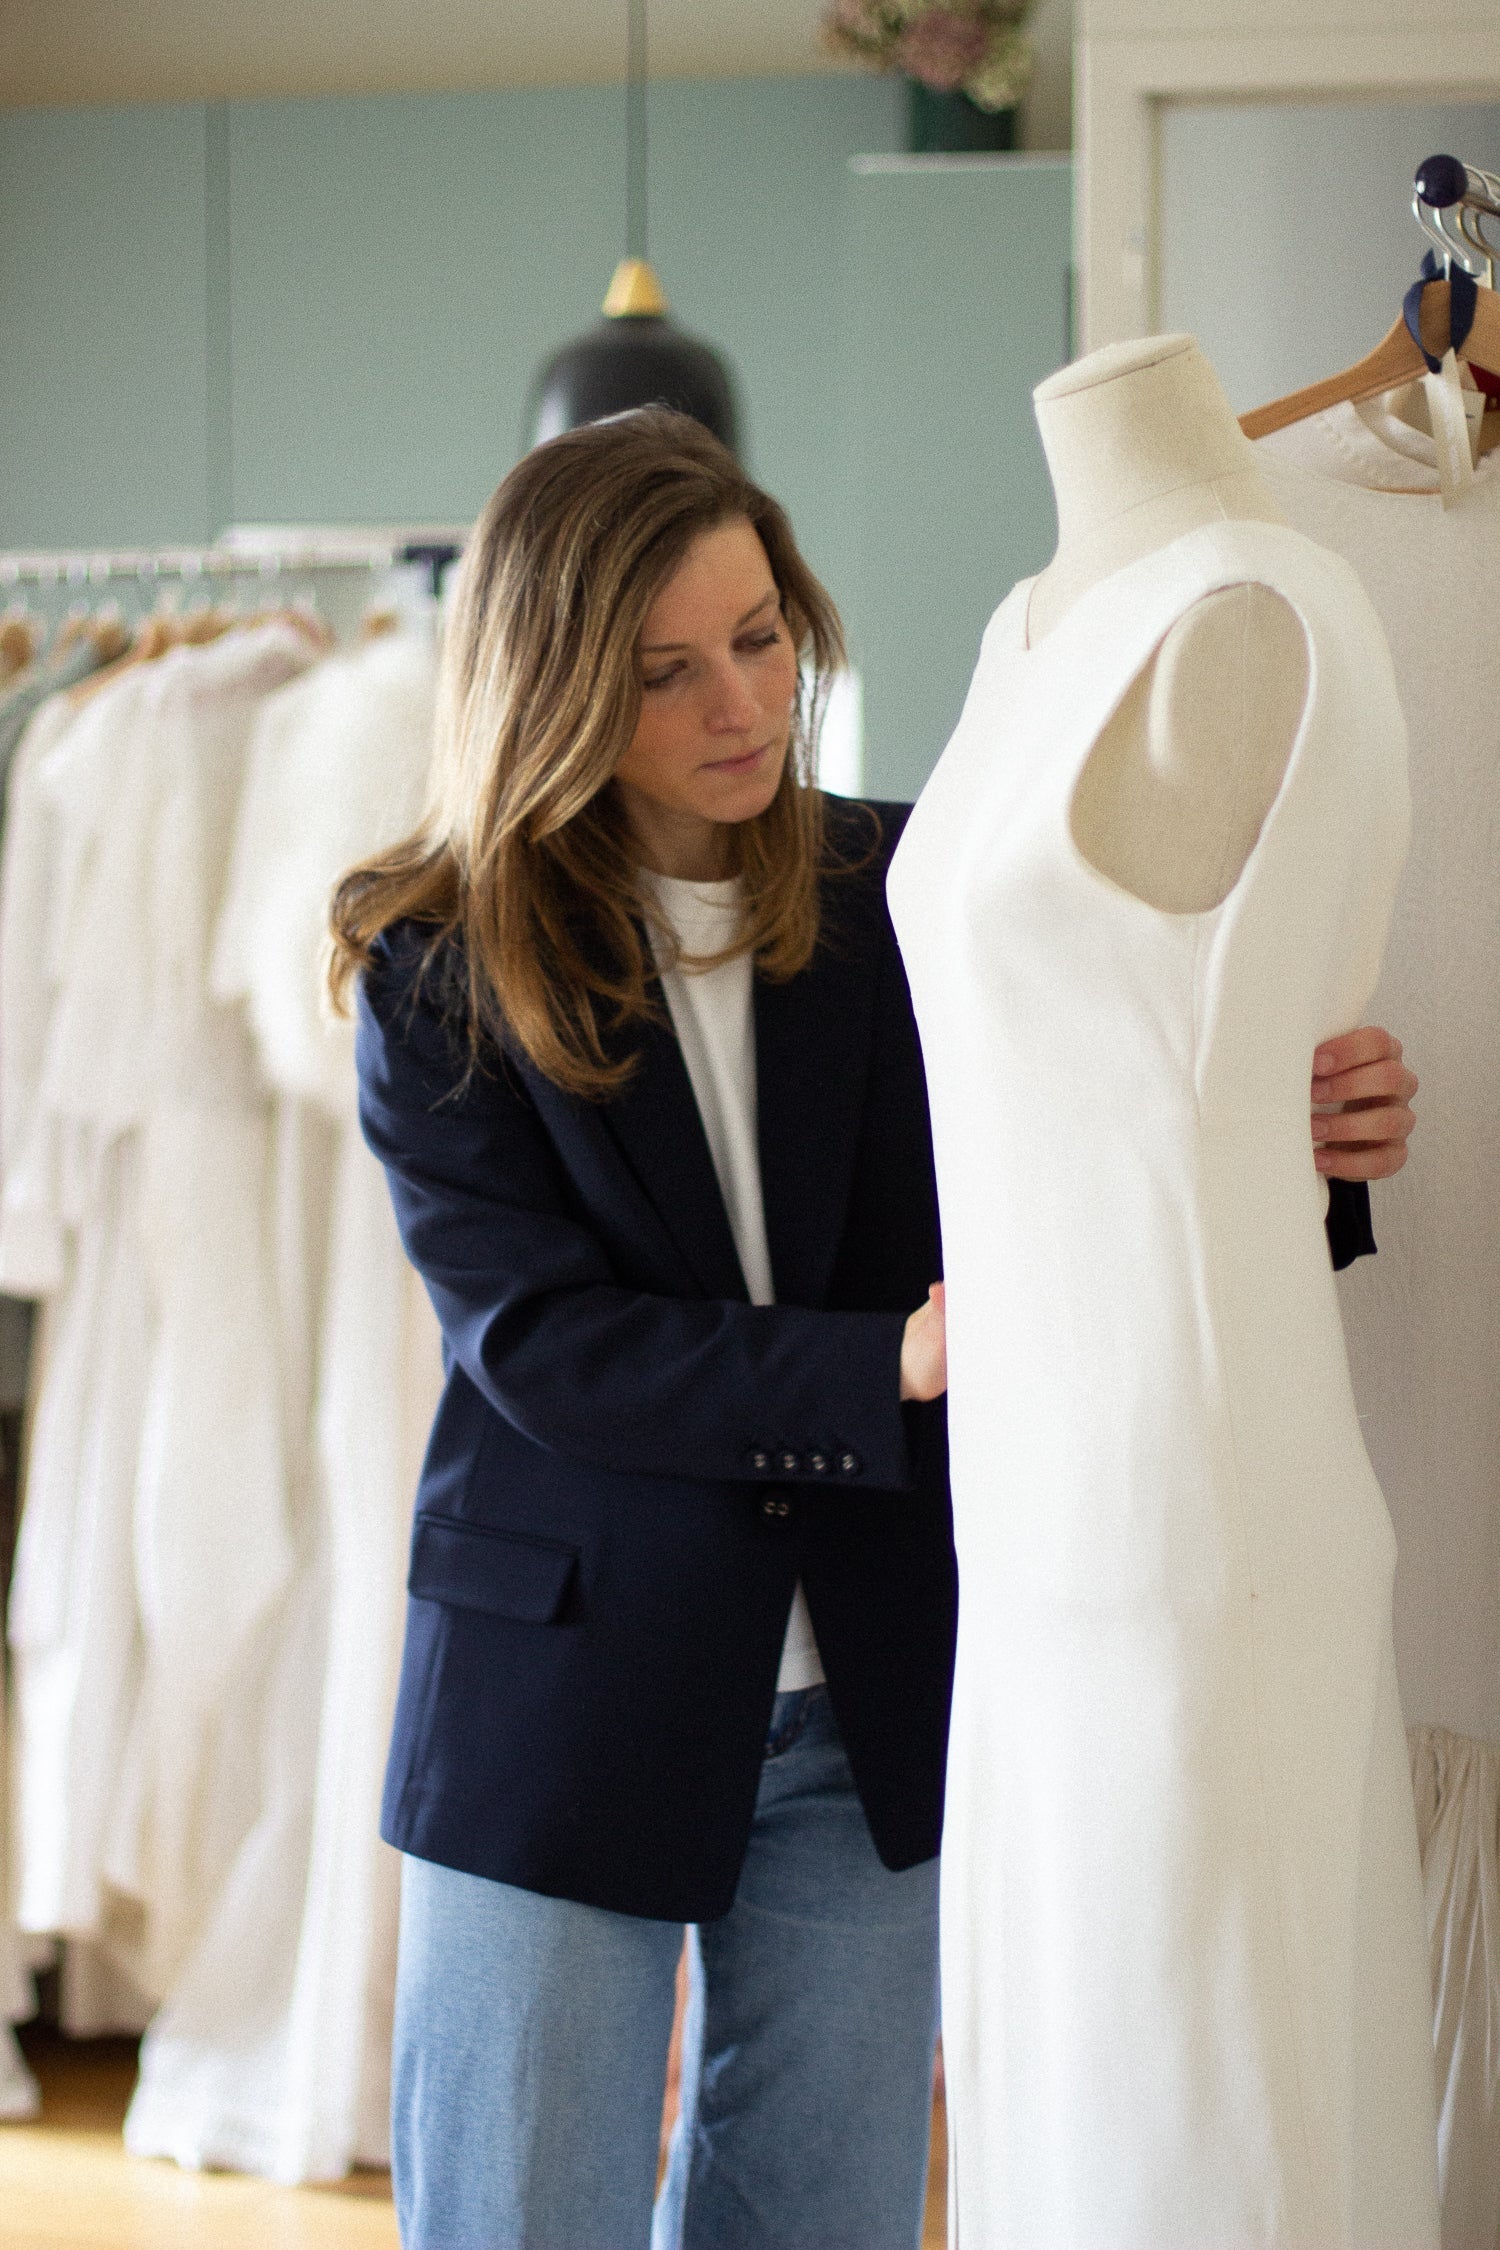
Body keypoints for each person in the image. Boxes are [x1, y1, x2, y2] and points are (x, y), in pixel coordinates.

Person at [328, 408, 1418, 2250]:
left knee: (818, 2221)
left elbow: (1104, 1166)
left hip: (873, 1696)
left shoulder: (913, 892)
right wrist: (887, 1366)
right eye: (667, 671)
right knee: (519, 2220)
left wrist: (1300, 1158)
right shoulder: (440, 965)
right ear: (556, 688)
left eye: (760, 634)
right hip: (565, 1689)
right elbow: (547, 1345)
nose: (741, 702)